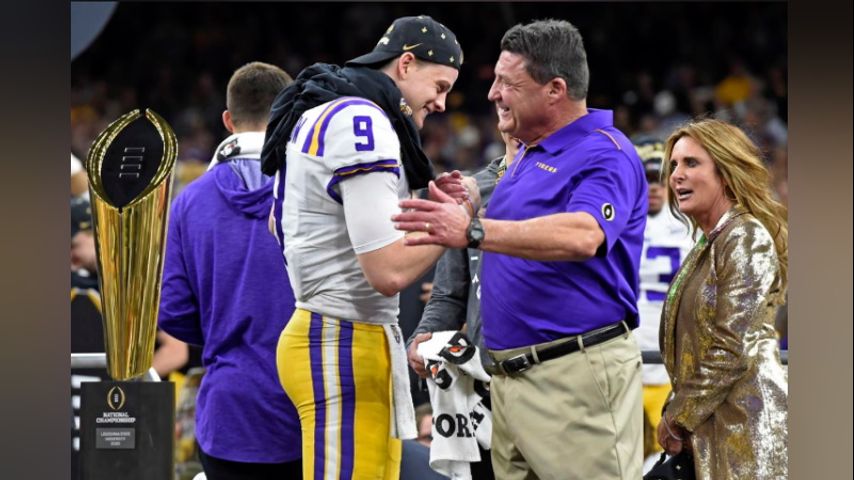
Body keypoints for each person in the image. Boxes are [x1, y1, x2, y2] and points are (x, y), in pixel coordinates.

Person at [393, 19, 646, 479]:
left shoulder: (604, 151)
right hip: (507, 381)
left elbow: (584, 235)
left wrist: (473, 228)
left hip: (573, 378)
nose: (492, 94)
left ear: (555, 89)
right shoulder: (527, 156)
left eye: (507, 83)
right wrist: (471, 194)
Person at [260, 15, 472, 480]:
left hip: (339, 331)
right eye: (438, 85)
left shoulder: (330, 112)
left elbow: (284, 225)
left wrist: (430, 213)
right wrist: (457, 226)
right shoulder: (363, 119)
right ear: (406, 64)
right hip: (339, 336)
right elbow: (388, 271)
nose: (440, 103)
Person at [158, 61, 302, 478]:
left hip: (229, 415)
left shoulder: (188, 202)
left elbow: (175, 314)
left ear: (227, 119)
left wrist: (226, 327)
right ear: (290, 115)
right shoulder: (312, 191)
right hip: (306, 406)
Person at [657, 118, 788, 479]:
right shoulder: (711, 242)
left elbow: (731, 349)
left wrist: (678, 417)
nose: (676, 176)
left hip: (747, 428)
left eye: (691, 163)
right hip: (719, 422)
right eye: (673, 166)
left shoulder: (745, 236)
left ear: (726, 173)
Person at [405, 131, 520, 480]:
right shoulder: (472, 188)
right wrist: (426, 333)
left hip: (546, 375)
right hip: (483, 380)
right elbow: (450, 291)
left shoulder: (563, 179)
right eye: (499, 90)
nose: (501, 98)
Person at [632, 137, 694, 467]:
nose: (653, 188)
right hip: (626, 357)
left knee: (665, 459)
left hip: (670, 363)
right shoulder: (619, 220)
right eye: (645, 178)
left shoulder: (690, 224)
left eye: (660, 179)